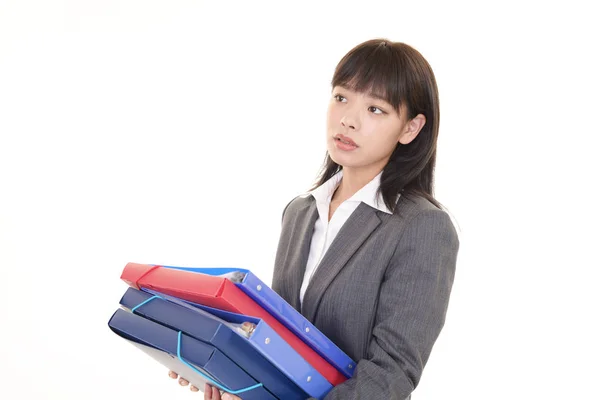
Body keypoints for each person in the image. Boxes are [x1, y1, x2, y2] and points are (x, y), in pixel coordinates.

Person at [170, 38, 459, 400]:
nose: (348, 120)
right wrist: (223, 372)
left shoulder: (421, 227)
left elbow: (391, 376)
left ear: (410, 129)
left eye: (375, 109)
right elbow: (278, 342)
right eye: (341, 97)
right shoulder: (301, 211)